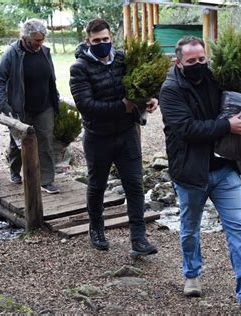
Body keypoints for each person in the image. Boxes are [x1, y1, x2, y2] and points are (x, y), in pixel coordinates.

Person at [159, 36, 241, 310]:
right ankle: (192, 274)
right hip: (190, 172)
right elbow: (187, 129)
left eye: (201, 59)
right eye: (191, 61)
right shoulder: (170, 90)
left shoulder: (215, 78)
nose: (198, 64)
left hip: (224, 168)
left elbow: (237, 111)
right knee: (190, 228)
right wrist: (227, 125)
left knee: (237, 228)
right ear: (178, 62)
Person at [69, 18, 158, 256]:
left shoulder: (122, 60)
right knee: (97, 185)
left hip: (127, 134)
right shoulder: (79, 68)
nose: (102, 44)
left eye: (105, 39)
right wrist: (124, 107)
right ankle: (96, 228)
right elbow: (86, 105)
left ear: (111, 38)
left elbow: (140, 85)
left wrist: (150, 98)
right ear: (88, 41)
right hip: (98, 137)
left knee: (134, 186)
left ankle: (138, 239)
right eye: (96, 41)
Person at [0, 19, 60, 194]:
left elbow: (51, 79)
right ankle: (15, 170)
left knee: (45, 141)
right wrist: (3, 104)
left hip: (44, 106)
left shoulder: (45, 52)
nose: (40, 43)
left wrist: (55, 99)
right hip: (20, 108)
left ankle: (46, 180)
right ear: (25, 38)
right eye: (37, 40)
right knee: (19, 143)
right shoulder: (11, 54)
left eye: (42, 39)